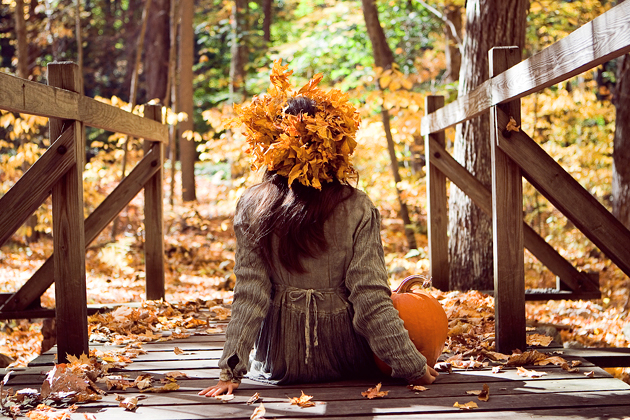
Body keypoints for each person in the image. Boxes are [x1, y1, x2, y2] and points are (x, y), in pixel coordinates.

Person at [199, 60, 439, 397]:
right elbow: (369, 297)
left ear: (271, 145)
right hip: (348, 359)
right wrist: (411, 366)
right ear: (334, 146)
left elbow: (250, 295)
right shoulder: (357, 205)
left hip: (280, 364)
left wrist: (231, 371)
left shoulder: (252, 205)